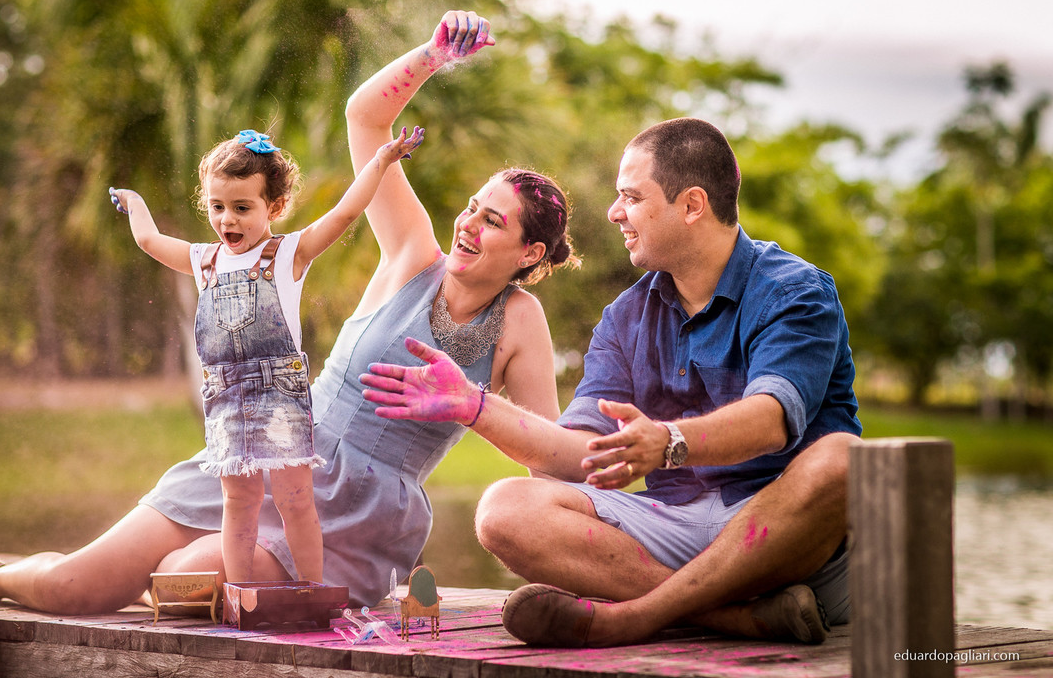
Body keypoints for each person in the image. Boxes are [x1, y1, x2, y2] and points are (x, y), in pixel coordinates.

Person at [0, 10, 579, 614]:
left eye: (493, 222)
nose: (468, 223)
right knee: (76, 588)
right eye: (471, 208)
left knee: (180, 582)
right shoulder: (412, 256)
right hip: (272, 441)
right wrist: (433, 55)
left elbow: (549, 462)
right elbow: (366, 118)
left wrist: (470, 408)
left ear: (529, 252)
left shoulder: (520, 325)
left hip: (357, 515)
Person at [362, 116, 862, 647]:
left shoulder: (794, 291)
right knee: (506, 509)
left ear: (692, 205)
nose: (613, 212)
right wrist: (473, 405)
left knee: (845, 460)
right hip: (673, 528)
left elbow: (769, 421)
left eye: (631, 196)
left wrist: (668, 442)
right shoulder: (626, 314)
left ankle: (634, 618)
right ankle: (733, 618)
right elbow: (581, 454)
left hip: (780, 536)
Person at [106, 123, 423, 586]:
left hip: (280, 391)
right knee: (239, 502)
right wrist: (135, 204)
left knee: (296, 500)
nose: (227, 220)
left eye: (241, 208)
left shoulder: (288, 253)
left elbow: (345, 213)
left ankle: (312, 593)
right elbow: (150, 242)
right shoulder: (204, 260)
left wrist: (381, 160)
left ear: (273, 207)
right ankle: (241, 594)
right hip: (228, 396)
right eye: (217, 208)